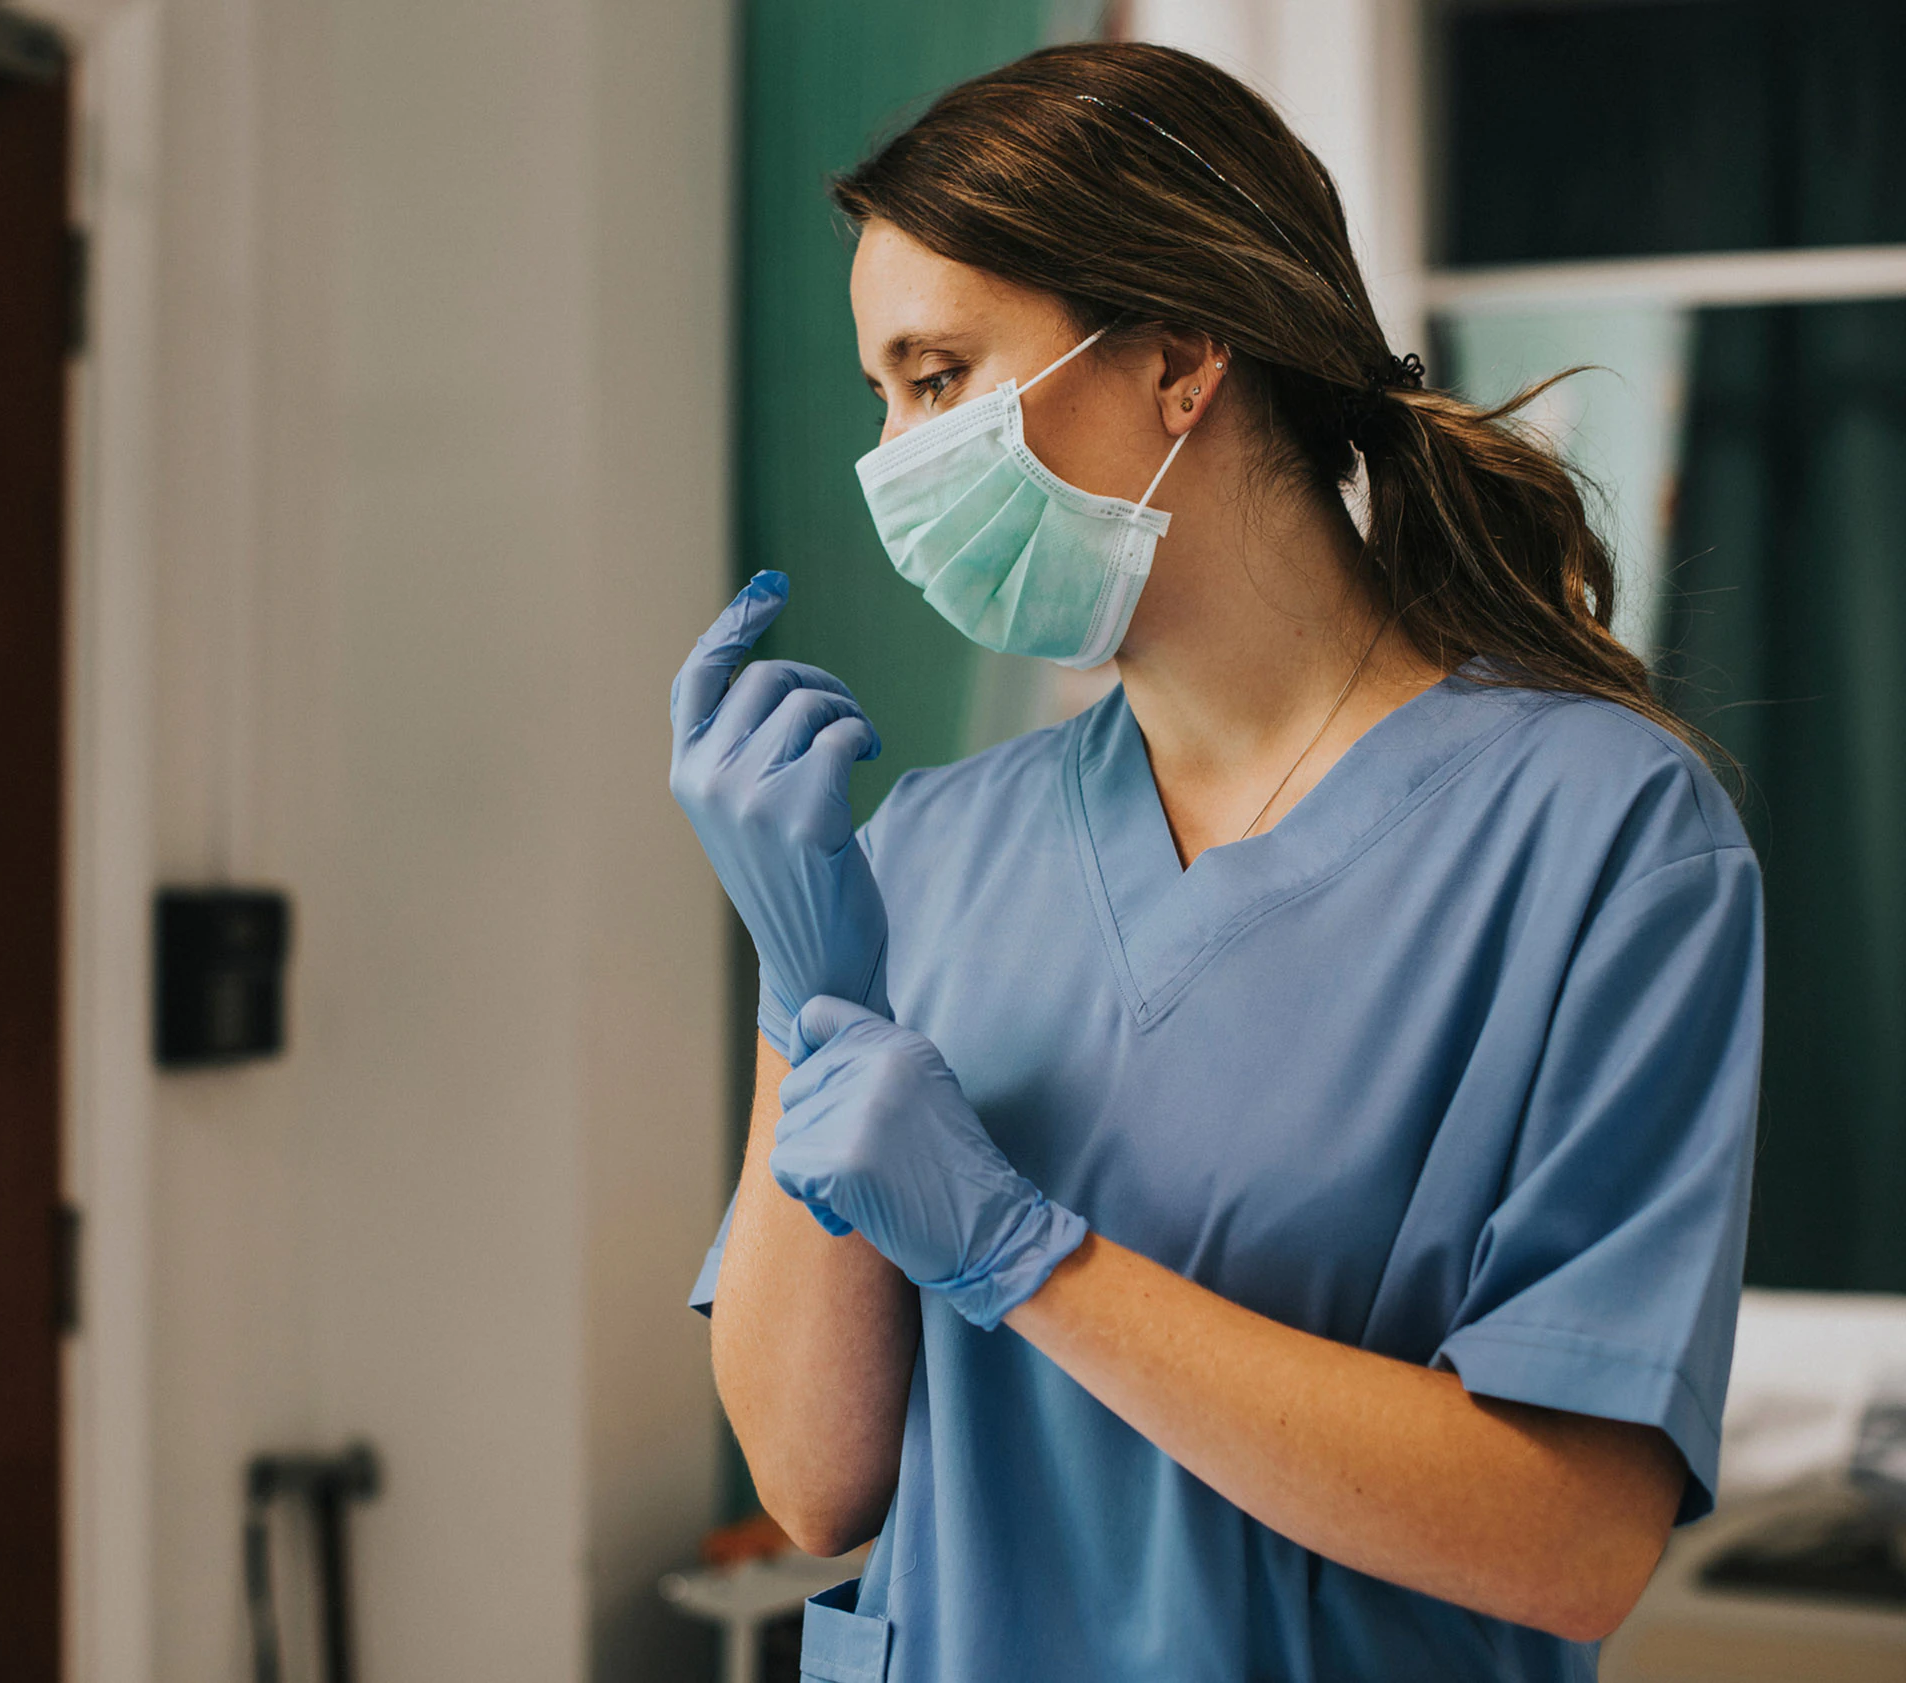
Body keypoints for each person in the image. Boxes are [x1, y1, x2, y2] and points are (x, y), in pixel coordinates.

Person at [668, 42, 1759, 1683]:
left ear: (1180, 357)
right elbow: (818, 1479)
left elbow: (1572, 1541)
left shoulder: (1600, 834)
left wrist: (1024, 1254)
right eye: (881, 394)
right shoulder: (927, 853)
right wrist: (812, 979)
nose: (893, 458)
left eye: (942, 377)